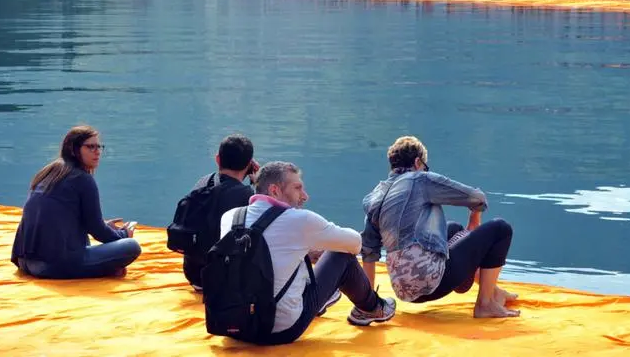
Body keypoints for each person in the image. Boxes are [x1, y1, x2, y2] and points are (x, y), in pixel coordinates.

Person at [218, 161, 396, 345]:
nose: (305, 196)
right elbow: (355, 244)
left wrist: (306, 248)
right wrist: (316, 243)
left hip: (231, 326)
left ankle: (328, 298)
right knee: (340, 254)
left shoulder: (231, 217)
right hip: (279, 331)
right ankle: (373, 308)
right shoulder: (300, 220)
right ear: (274, 190)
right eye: (297, 188)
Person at [360, 136, 519, 318]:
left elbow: (369, 253)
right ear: (418, 162)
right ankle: (485, 303)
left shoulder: (375, 197)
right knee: (501, 228)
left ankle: (494, 291)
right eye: (425, 167)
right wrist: (475, 219)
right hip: (433, 282)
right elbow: (477, 198)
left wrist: (368, 304)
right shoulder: (420, 180)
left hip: (405, 292)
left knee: (454, 229)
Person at [11, 125, 141, 279]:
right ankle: (106, 269)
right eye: (90, 147)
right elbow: (96, 230)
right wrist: (123, 234)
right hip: (51, 267)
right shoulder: (82, 179)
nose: (97, 151)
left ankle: (104, 269)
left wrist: (106, 226)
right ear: (74, 149)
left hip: (25, 262)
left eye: (99, 146)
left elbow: (65, 219)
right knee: (131, 247)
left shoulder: (49, 172)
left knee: (84, 242)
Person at [172, 134, 260, 291]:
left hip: (195, 277)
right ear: (249, 165)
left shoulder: (202, 184)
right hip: (227, 283)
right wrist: (258, 184)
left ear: (218, 159)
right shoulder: (249, 196)